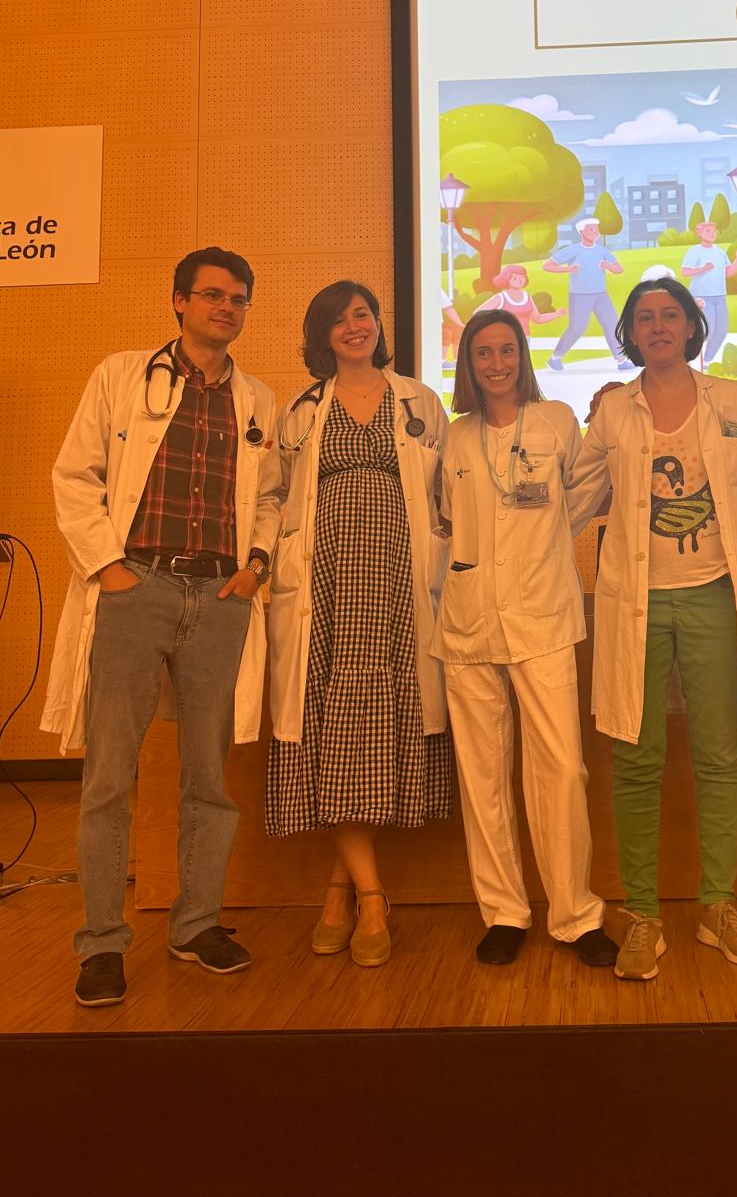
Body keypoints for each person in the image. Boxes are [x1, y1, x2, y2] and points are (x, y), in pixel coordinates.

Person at [44, 247, 282, 1008]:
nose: (226, 308)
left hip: (219, 596)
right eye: (212, 295)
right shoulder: (120, 376)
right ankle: (102, 944)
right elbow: (74, 476)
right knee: (110, 777)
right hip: (135, 586)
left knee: (209, 778)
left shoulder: (257, 399)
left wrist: (255, 565)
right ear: (179, 301)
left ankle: (196, 924)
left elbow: (269, 497)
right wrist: (108, 569)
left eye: (238, 299)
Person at [567, 279, 737, 981]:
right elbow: (575, 496)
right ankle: (643, 914)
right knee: (635, 758)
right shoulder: (613, 410)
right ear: (629, 332)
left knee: (719, 755)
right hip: (636, 602)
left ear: (691, 326)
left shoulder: (734, 401)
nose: (658, 326)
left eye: (670, 315)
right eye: (644, 317)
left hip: (715, 595)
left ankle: (718, 906)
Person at [265, 281, 452, 967]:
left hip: (401, 586)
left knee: (373, 730)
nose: (355, 326)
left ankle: (339, 889)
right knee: (330, 728)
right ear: (322, 333)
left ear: (378, 324)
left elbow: (448, 493)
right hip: (324, 589)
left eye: (363, 314)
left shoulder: (419, 402)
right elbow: (273, 495)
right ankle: (372, 897)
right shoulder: (301, 410)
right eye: (340, 319)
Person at [433, 310, 616, 968]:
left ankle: (575, 914)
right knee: (482, 772)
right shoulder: (455, 436)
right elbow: (446, 517)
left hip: (542, 614)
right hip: (470, 618)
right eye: (483, 352)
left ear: (522, 356)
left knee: (561, 768)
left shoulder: (557, 421)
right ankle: (505, 912)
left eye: (506, 350)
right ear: (468, 363)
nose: (496, 363)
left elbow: (583, 495)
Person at [543, 217, 631, 371]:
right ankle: (555, 358)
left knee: (612, 325)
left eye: (597, 230)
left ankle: (621, 360)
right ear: (581, 232)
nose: (595, 232)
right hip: (580, 295)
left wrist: (608, 266)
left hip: (601, 295)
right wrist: (568, 269)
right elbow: (548, 266)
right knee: (577, 328)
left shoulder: (602, 250)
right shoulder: (573, 250)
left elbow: (619, 269)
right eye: (591, 229)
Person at [680, 220, 737, 364]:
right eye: (708, 231)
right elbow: (684, 271)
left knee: (721, 330)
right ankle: (689, 356)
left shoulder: (719, 251)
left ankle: (707, 360)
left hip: (720, 296)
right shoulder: (694, 251)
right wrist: (703, 268)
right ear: (699, 233)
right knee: (708, 329)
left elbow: (729, 272)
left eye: (714, 231)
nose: (712, 234)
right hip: (702, 297)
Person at [480, 263, 568, 340]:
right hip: (505, 338)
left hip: (525, 338)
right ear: (506, 279)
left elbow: (537, 318)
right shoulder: (501, 297)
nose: (519, 280)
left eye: (522, 277)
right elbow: (479, 313)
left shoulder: (527, 297)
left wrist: (557, 314)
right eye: (515, 278)